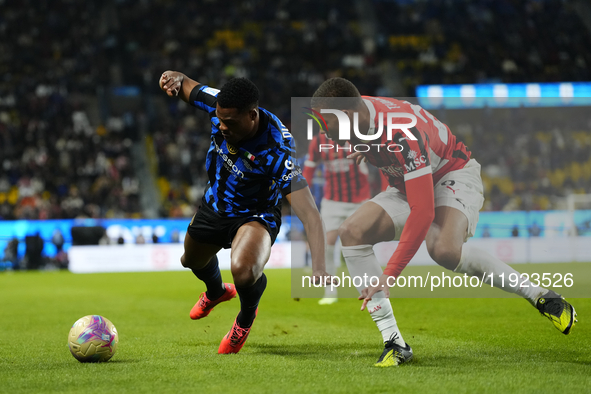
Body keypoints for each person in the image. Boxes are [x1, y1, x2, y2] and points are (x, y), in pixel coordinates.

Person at [310, 77, 577, 367]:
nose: (326, 134)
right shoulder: (361, 115)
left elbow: (422, 212)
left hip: (453, 174)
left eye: (329, 125)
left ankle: (540, 296)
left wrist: (390, 274)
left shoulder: (401, 132)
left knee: (444, 250)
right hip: (408, 182)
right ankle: (395, 343)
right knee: (352, 232)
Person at [159, 71, 328, 354]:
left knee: (243, 271)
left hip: (255, 214)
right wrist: (175, 79)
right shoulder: (221, 104)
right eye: (220, 119)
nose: (222, 126)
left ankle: (245, 319)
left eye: (230, 122)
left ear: (252, 115)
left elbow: (310, 213)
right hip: (215, 205)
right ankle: (217, 292)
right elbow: (189, 86)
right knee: (191, 259)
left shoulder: (278, 151)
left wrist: (320, 266)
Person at [303, 133, 371, 304]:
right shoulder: (318, 142)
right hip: (332, 201)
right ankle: (330, 291)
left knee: (363, 245)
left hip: (359, 200)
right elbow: (309, 170)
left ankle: (371, 288)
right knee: (326, 244)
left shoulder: (357, 137)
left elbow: (381, 160)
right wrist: (302, 195)